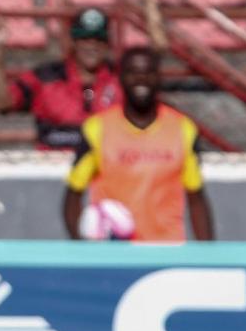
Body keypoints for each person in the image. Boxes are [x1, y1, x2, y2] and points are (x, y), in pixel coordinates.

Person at [62, 47, 214, 243]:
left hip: (166, 250)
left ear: (158, 77)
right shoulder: (97, 128)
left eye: (148, 72)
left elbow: (196, 198)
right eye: (133, 72)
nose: (141, 80)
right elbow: (73, 195)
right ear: (121, 77)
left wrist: (207, 255)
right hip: (115, 254)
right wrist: (81, 248)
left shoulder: (183, 128)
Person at [0, 7, 121, 150]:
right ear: (74, 42)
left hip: (107, 168)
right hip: (54, 168)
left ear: (107, 44)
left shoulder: (121, 79)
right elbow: (2, 103)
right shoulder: (45, 78)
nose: (92, 46)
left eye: (99, 40)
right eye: (85, 39)